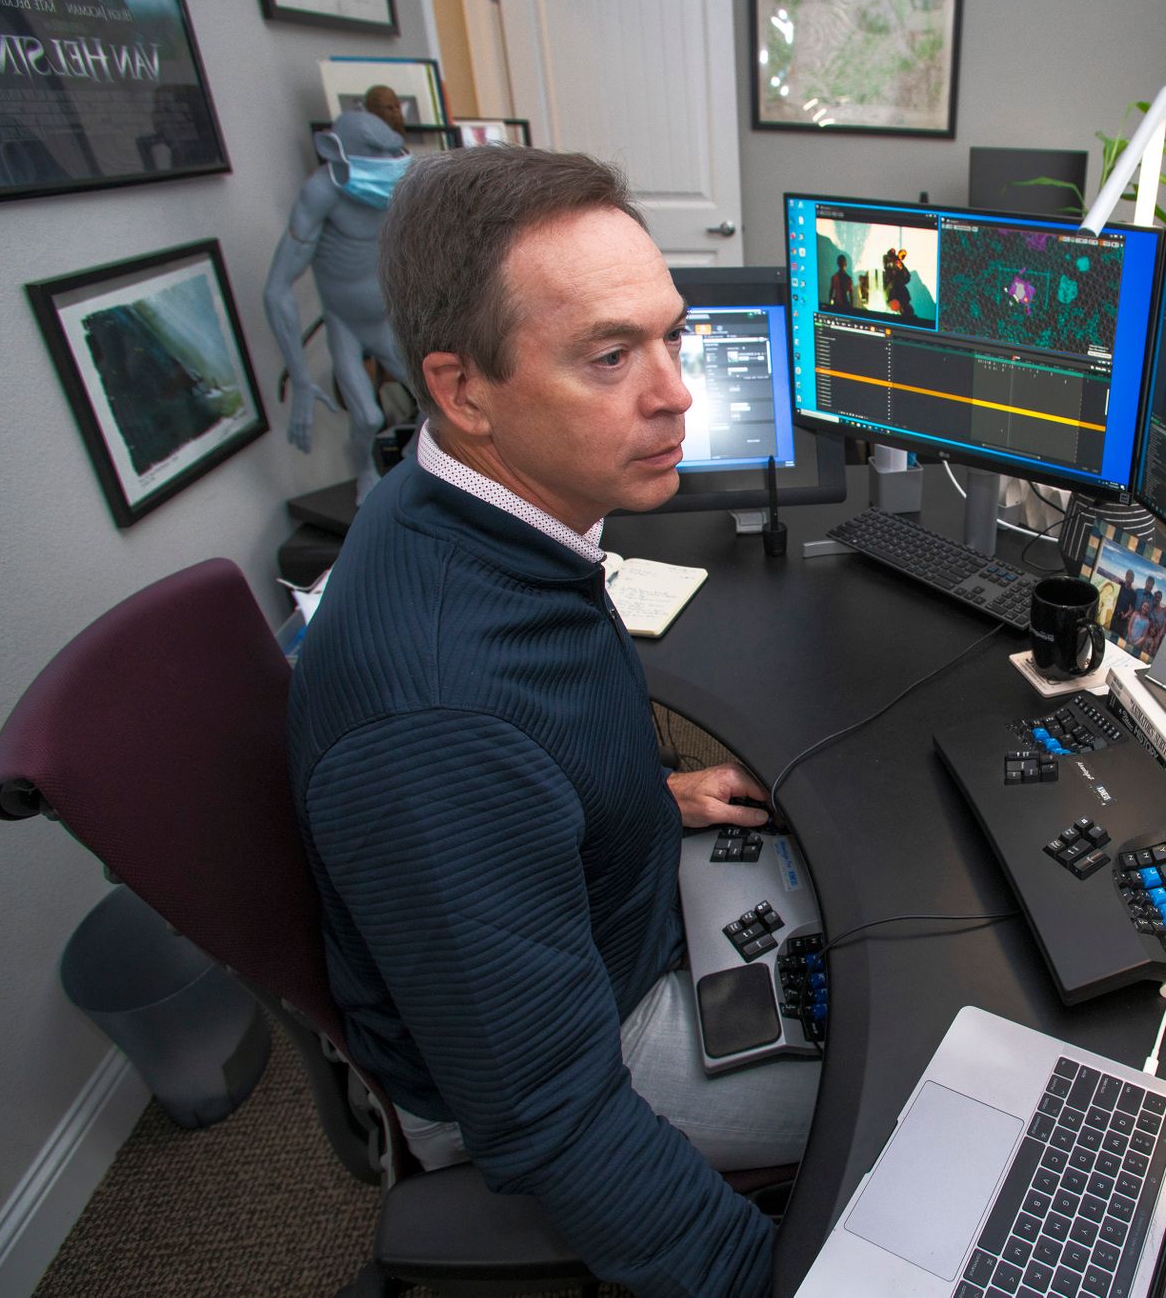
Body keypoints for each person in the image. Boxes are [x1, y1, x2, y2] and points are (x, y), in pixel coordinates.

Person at [286, 148, 814, 1298]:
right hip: (575, 1061)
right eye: (610, 356)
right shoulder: (432, 722)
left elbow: (523, 756)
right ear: (462, 389)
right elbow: (553, 1117)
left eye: (672, 335)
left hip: (581, 939)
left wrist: (643, 793)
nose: (675, 390)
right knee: (915, 1050)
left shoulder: (465, 505)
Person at [263, 109, 414, 501]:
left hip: (388, 317)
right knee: (368, 415)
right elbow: (277, 289)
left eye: (393, 151)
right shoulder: (321, 193)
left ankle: (421, 468)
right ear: (333, 151)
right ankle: (365, 470)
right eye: (375, 154)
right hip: (345, 322)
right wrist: (300, 378)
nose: (388, 164)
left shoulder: (401, 187)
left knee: (438, 400)